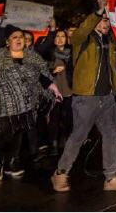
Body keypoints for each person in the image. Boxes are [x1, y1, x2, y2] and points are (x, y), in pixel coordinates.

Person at [51, 0, 116, 193]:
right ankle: (60, 173)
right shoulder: (81, 39)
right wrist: (98, 10)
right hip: (86, 97)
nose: (106, 23)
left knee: (110, 136)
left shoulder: (110, 40)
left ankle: (111, 178)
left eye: (107, 20)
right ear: (94, 21)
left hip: (107, 97)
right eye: (103, 20)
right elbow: (82, 31)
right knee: (79, 135)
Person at [0, 25, 62, 181]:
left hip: (24, 103)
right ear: (8, 41)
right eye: (14, 37)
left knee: (18, 134)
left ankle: (12, 162)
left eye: (21, 37)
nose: (18, 39)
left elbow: (41, 76)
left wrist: (53, 87)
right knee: (0, 136)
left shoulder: (32, 57)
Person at [36, 26, 74, 157]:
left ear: (67, 39)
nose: (60, 39)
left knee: (69, 118)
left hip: (69, 90)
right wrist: (53, 69)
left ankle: (68, 142)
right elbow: (41, 72)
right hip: (54, 91)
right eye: (57, 36)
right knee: (54, 119)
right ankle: (53, 144)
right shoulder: (48, 53)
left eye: (62, 36)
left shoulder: (72, 53)